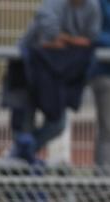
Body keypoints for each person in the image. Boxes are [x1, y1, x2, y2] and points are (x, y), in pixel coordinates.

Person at [7, 0, 101, 162]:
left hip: (57, 77)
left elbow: (90, 40)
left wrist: (65, 40)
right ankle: (20, 158)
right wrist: (74, 42)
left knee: (57, 124)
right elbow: (49, 37)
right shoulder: (54, 4)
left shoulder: (92, 7)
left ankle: (20, 154)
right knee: (24, 126)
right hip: (29, 71)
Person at [94, 0, 110, 170]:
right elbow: (93, 33)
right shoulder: (99, 4)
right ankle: (103, 183)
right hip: (105, 72)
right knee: (107, 128)